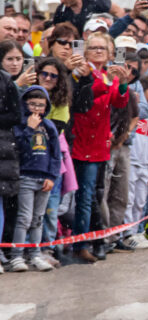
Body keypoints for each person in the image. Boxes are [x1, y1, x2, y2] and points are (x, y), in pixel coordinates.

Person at [71, 32, 129, 263]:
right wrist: (107, 85)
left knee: (95, 195)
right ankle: (83, 243)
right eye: (93, 48)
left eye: (101, 49)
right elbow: (84, 100)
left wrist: (123, 83)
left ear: (109, 54)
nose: (97, 52)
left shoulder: (109, 76)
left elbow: (119, 101)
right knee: (85, 196)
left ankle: (95, 240)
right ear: (85, 52)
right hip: (80, 140)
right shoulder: (81, 73)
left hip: (100, 143)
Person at [10, 86, 61, 272]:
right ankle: (16, 256)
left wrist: (51, 176)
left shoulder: (49, 126)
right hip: (25, 176)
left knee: (38, 218)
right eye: (32, 104)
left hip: (44, 179)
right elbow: (19, 148)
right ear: (25, 104)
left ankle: (35, 254)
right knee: (24, 217)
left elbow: (56, 155)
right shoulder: (20, 125)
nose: (36, 109)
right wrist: (29, 129)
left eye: (41, 105)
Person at [35, 57, 73, 266]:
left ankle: (47, 247)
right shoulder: (26, 95)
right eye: (44, 74)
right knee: (31, 211)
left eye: (53, 76)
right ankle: (29, 249)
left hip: (51, 161)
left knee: (51, 208)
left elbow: (53, 131)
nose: (48, 78)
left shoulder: (61, 102)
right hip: (28, 162)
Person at [102, 51, 140, 252]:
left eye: (131, 69)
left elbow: (135, 116)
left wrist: (124, 135)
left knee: (121, 193)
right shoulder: (104, 87)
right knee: (104, 193)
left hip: (122, 146)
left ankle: (115, 234)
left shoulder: (130, 92)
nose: (124, 71)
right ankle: (103, 236)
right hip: (104, 146)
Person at [123, 75, 148, 249]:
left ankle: (137, 232)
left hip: (145, 163)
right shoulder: (136, 112)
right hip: (132, 160)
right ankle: (126, 234)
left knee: (140, 200)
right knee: (129, 199)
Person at [0, 54, 21, 273]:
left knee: (3, 203)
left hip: (4, 150)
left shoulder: (5, 81)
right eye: (9, 58)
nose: (15, 62)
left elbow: (16, 115)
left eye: (18, 58)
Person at [53, 0, 125, 35]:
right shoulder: (61, 10)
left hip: (100, 37)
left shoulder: (94, 1)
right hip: (76, 44)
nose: (61, 1)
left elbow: (119, 12)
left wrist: (114, 29)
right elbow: (55, 30)